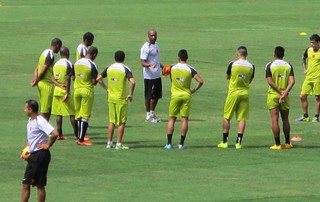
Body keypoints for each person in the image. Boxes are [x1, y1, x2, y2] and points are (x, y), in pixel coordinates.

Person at [163, 49, 203, 149]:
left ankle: (168, 143)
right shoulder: (190, 69)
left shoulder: (172, 67)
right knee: (184, 119)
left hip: (175, 95)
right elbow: (200, 81)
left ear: (178, 57)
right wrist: (193, 90)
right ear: (187, 58)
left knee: (172, 119)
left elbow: (164, 72)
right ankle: (181, 144)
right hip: (186, 95)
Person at [21, 99, 59, 202]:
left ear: (30, 109)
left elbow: (55, 133)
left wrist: (48, 145)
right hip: (33, 155)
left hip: (40, 155)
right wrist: (26, 150)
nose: (24, 110)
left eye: (26, 108)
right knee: (25, 183)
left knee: (39, 185)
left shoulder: (40, 121)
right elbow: (32, 139)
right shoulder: (30, 121)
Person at [217, 46, 255, 149]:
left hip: (233, 92)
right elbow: (250, 80)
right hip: (245, 93)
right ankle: (238, 142)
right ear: (246, 54)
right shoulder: (251, 66)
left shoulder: (232, 64)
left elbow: (227, 77)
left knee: (227, 117)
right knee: (242, 118)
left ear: (237, 54)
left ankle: (225, 142)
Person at [97, 51, 136, 150]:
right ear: (124, 58)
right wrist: (130, 94)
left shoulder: (109, 68)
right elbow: (133, 82)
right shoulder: (125, 69)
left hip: (111, 98)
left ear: (114, 58)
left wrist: (107, 88)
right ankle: (118, 144)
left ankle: (109, 143)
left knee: (111, 121)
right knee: (122, 122)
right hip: (121, 99)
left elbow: (99, 79)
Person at [266, 46, 295, 150]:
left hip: (273, 94)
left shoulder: (270, 65)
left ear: (274, 54)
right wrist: (285, 93)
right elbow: (292, 81)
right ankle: (287, 143)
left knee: (274, 119)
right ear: (283, 55)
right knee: (285, 119)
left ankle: (277, 144)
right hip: (285, 95)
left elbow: (270, 81)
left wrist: (279, 92)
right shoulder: (288, 65)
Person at [31, 38, 62, 121]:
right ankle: (40, 130)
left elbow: (37, 69)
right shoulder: (50, 55)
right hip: (46, 84)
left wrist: (35, 79)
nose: (59, 50)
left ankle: (46, 130)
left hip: (42, 83)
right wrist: (36, 81)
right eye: (59, 47)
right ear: (57, 45)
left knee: (48, 109)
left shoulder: (44, 53)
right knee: (45, 110)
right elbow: (43, 70)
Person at [73, 46, 98, 146]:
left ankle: (78, 136)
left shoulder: (76, 62)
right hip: (87, 91)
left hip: (76, 90)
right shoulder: (92, 65)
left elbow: (72, 77)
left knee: (78, 114)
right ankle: (81, 139)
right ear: (94, 55)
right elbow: (93, 81)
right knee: (85, 116)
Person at [51, 46, 77, 140]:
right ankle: (76, 135)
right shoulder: (69, 64)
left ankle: (59, 134)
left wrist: (58, 84)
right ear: (67, 54)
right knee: (72, 113)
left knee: (59, 113)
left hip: (56, 91)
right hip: (64, 91)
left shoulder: (56, 64)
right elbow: (69, 78)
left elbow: (52, 78)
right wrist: (66, 92)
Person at [140, 29, 163, 123]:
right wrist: (149, 65)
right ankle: (148, 115)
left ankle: (152, 113)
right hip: (149, 76)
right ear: (148, 36)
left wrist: (162, 66)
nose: (153, 37)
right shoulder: (146, 47)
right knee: (149, 96)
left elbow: (156, 59)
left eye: (155, 35)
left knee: (157, 95)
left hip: (157, 74)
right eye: (152, 35)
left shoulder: (156, 45)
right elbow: (142, 62)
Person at [296, 34, 320, 122]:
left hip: (318, 78)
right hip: (308, 77)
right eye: (311, 43)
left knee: (318, 98)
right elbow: (303, 58)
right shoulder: (309, 50)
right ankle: (305, 116)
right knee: (302, 96)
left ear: (318, 42)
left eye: (313, 43)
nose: (311, 45)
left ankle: (316, 116)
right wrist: (304, 68)